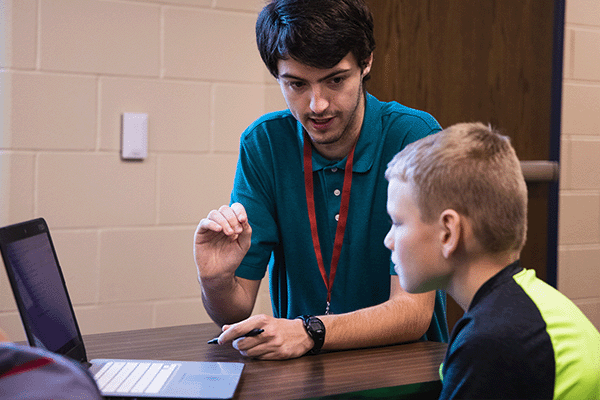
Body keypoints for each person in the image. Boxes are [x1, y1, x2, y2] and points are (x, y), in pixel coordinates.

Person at [194, 0, 448, 360]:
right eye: (296, 84)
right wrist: (216, 280)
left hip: (402, 372)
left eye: (335, 80)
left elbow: (413, 313)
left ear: (366, 62)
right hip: (303, 376)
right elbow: (234, 312)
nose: (317, 105)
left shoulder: (414, 136)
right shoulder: (265, 144)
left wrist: (310, 331)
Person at [384, 122, 600, 398]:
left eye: (397, 223)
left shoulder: (492, 342)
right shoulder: (535, 305)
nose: (388, 240)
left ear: (448, 232)